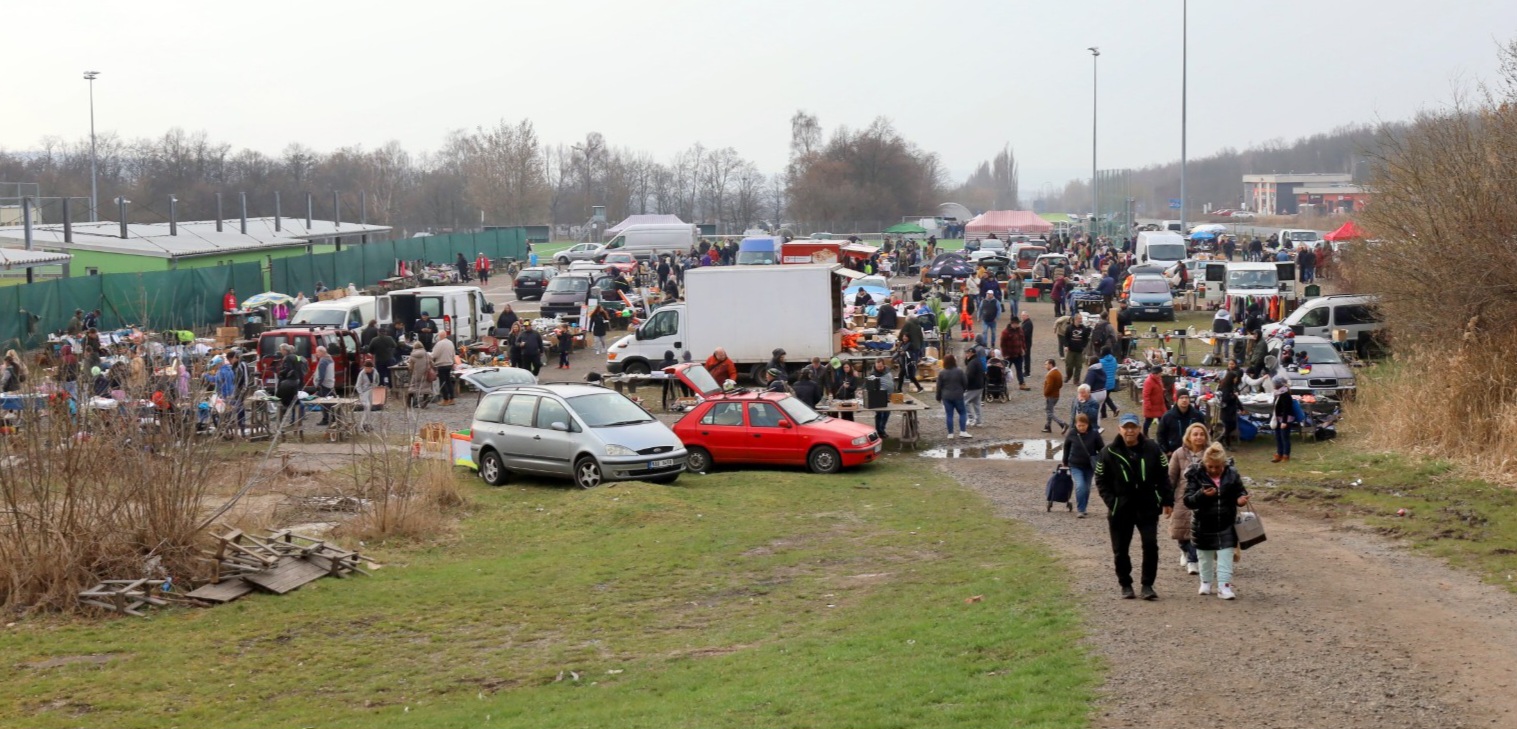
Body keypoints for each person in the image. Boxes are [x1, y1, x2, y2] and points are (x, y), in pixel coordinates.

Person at [1095, 413, 1174, 600]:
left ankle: (1147, 585)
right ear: (1119, 429)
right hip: (1121, 509)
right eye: (1126, 427)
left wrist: (1166, 500)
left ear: (1139, 429)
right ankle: (1125, 584)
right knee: (1121, 549)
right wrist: (1113, 502)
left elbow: (1164, 475)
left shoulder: (1153, 448)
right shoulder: (1108, 452)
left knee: (1150, 545)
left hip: (1147, 506)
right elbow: (1100, 480)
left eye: (1133, 427)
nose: (1129, 431)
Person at [1184, 443, 1249, 600]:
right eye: (1210, 467)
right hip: (1202, 525)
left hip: (1226, 523)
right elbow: (1188, 501)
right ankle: (1205, 582)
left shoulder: (1232, 474)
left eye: (1218, 467)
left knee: (1226, 557)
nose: (1214, 470)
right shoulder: (1196, 475)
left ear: (1224, 464)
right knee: (1204, 557)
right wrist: (1202, 494)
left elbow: (1240, 491)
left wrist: (1240, 499)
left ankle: (1224, 586)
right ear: (1205, 463)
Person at [1168, 422, 1211, 576]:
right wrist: (1167, 499)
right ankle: (1184, 550)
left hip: (1204, 497)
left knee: (1199, 529)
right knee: (1181, 530)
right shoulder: (1178, 453)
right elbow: (1171, 477)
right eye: (1195, 434)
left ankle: (1193, 560)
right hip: (1182, 497)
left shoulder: (1210, 453)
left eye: (1201, 434)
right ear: (1189, 437)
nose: (1198, 437)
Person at [1063, 413, 1103, 518]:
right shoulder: (1072, 433)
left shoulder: (1094, 434)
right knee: (1080, 486)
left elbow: (1101, 449)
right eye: (1079, 425)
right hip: (1075, 465)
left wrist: (1101, 460)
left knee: (1087, 487)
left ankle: (1083, 507)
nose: (1081, 427)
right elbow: (1066, 447)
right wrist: (1065, 461)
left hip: (1089, 466)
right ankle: (1081, 509)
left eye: (1083, 425)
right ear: (1076, 424)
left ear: (1088, 424)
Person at [1157, 390, 1207, 454]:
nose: (1184, 400)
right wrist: (1166, 450)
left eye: (1186, 397)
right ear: (1177, 400)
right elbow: (1160, 434)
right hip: (1174, 452)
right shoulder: (1168, 416)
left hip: (1193, 451)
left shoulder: (1197, 416)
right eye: (1181, 398)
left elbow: (1205, 432)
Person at [936, 354, 970, 438]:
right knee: (962, 413)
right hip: (958, 395)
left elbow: (939, 386)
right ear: (954, 361)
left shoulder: (942, 373)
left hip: (946, 396)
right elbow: (965, 383)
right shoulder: (959, 371)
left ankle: (950, 433)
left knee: (949, 415)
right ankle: (963, 431)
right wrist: (962, 390)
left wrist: (938, 397)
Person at [1271, 375, 1298, 463]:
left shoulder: (1285, 394)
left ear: (1277, 384)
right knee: (1278, 436)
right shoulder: (1277, 393)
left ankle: (1286, 455)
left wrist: (1284, 421)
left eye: (1274, 383)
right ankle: (1279, 453)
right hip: (1278, 418)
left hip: (1285, 419)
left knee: (1284, 437)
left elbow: (1286, 409)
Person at [869, 358, 893, 439]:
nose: (879, 368)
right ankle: (879, 431)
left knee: (887, 414)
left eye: (881, 366)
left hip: (888, 396)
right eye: (877, 366)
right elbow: (868, 385)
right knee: (880, 414)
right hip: (879, 397)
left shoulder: (887, 369)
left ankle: (882, 429)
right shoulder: (873, 374)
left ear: (884, 365)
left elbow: (890, 380)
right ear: (875, 365)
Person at [999, 319, 1026, 390]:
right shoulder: (1005, 332)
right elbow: (1002, 344)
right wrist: (1005, 354)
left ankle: (1022, 384)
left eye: (1018, 323)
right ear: (1012, 323)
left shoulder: (1020, 330)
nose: (1018, 325)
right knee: (1005, 371)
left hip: (1018, 354)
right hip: (1009, 356)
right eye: (1017, 323)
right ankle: (1002, 384)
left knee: (1019, 370)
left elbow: (1022, 340)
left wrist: (1024, 349)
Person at [1042, 358, 1068, 434]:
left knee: (1049, 412)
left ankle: (1062, 424)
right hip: (1056, 395)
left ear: (1050, 364)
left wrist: (1045, 393)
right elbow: (1060, 385)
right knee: (1050, 410)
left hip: (1051, 396)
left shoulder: (1051, 374)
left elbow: (1049, 386)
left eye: (1046, 364)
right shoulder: (1058, 373)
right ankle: (1048, 427)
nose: (1045, 366)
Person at [1141, 366, 1167, 436]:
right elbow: (1146, 395)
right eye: (1160, 373)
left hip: (1159, 405)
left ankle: (1162, 435)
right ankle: (1145, 435)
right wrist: (1148, 406)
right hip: (1152, 405)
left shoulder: (1159, 379)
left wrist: (1162, 390)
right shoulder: (1148, 381)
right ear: (1156, 373)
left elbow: (1160, 388)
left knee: (1162, 421)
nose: (1161, 374)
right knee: (1148, 421)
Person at [963, 346, 985, 428]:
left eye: (967, 353)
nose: (966, 354)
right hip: (979, 385)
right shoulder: (977, 360)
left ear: (971, 353)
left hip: (973, 386)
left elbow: (969, 376)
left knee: (964, 401)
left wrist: (964, 385)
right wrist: (967, 359)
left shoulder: (972, 363)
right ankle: (978, 421)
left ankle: (970, 419)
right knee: (976, 404)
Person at [313, 346, 336, 425]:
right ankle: (334, 417)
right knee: (332, 401)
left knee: (323, 402)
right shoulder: (330, 359)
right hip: (331, 383)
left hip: (324, 384)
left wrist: (318, 384)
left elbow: (321, 375)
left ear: (322, 352)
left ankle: (325, 419)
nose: (316, 354)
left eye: (317, 352)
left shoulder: (323, 361)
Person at [354, 358, 379, 431]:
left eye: (368, 368)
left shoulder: (375, 372)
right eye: (365, 368)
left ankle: (367, 424)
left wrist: (375, 386)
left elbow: (377, 380)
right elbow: (357, 385)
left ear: (371, 368)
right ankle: (363, 424)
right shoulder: (361, 373)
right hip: (364, 392)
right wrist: (361, 393)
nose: (366, 369)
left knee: (369, 408)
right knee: (367, 406)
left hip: (371, 390)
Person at [432, 334, 458, 405]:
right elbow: (453, 354)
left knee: (443, 382)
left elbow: (434, 354)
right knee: (448, 381)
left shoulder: (439, 344)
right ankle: (452, 398)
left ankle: (445, 399)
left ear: (440, 336)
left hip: (441, 364)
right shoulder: (450, 343)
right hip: (449, 364)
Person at [1064, 317, 1090, 382]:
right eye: (1079, 319)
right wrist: (1066, 346)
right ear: (1075, 320)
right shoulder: (1069, 328)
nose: (1080, 320)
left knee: (1079, 366)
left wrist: (1083, 346)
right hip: (1071, 350)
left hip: (1079, 351)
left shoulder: (1083, 328)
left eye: (1081, 319)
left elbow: (1086, 338)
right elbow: (1066, 337)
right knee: (1069, 365)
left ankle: (1076, 380)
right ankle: (1068, 376)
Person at [1099, 347, 1120, 418]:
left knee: (1103, 398)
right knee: (1105, 397)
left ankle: (1113, 410)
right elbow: (1115, 368)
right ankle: (1105, 413)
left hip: (1104, 383)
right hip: (1112, 383)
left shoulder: (1101, 361)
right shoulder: (1114, 360)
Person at [1017, 312, 1034, 389]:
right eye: (1022, 315)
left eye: (1024, 315)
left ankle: (1027, 372)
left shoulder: (1028, 323)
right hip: (1025, 343)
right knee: (1025, 357)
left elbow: (1025, 334)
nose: (1022, 317)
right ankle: (1026, 371)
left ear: (1027, 316)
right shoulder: (1025, 323)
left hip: (1027, 343)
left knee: (1026, 357)